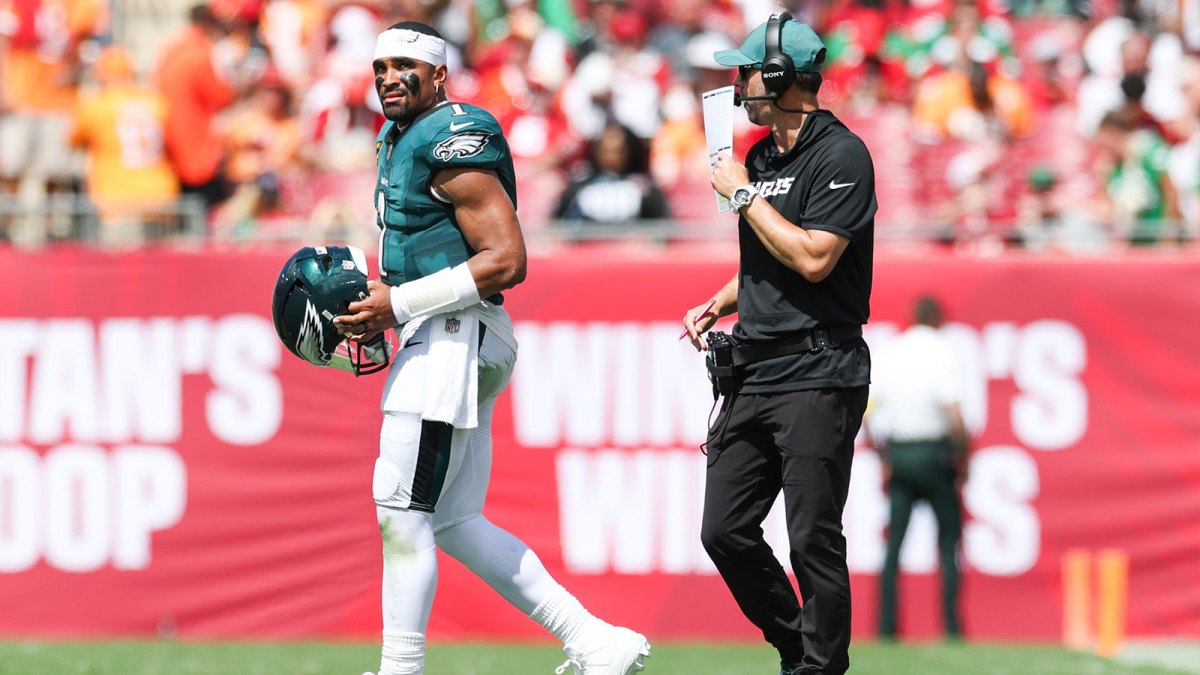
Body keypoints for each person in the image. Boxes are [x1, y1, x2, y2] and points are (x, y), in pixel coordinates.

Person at [329, 22, 650, 675]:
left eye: (405, 66)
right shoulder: (401, 137)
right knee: (450, 519)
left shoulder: (451, 133)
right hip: (452, 330)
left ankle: (400, 668)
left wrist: (402, 303)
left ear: (440, 74)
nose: (389, 77)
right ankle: (595, 639)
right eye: (380, 65)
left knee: (399, 503)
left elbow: (506, 259)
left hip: (455, 330)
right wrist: (383, 303)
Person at [681, 13, 876, 675]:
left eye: (746, 70)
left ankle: (821, 666)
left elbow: (816, 257)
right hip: (755, 367)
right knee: (724, 528)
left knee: (811, 535)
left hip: (819, 366)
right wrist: (720, 299)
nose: (738, 83)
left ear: (780, 76)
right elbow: (768, 257)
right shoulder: (761, 155)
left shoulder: (842, 154)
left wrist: (740, 195)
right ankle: (798, 647)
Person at [865, 295, 969, 642]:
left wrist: (882, 456)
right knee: (949, 541)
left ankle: (886, 628)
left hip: (899, 453)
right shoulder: (943, 350)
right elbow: (953, 411)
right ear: (939, 318)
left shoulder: (894, 350)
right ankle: (952, 628)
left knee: (893, 545)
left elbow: (868, 412)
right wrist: (963, 456)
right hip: (934, 454)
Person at [552, 122, 670, 224]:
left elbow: (662, 226)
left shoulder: (644, 189)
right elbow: (558, 225)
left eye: (617, 151)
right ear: (596, 151)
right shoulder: (578, 187)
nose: (611, 157)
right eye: (606, 151)